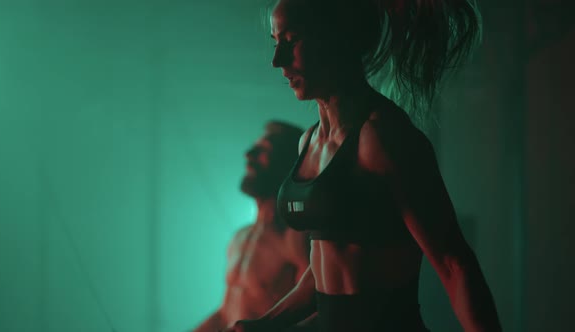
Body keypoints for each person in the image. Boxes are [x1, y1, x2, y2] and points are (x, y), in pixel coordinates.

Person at [224, 0, 503, 331]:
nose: (277, 60)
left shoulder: (383, 138)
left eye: (292, 39)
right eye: (276, 42)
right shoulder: (308, 143)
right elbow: (328, 269)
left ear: (334, 37)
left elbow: (454, 265)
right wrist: (262, 324)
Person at [192, 121, 314, 332]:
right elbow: (225, 315)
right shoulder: (240, 238)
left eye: (263, 150)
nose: (249, 154)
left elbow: (316, 312)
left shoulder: (295, 238)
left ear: (286, 164)